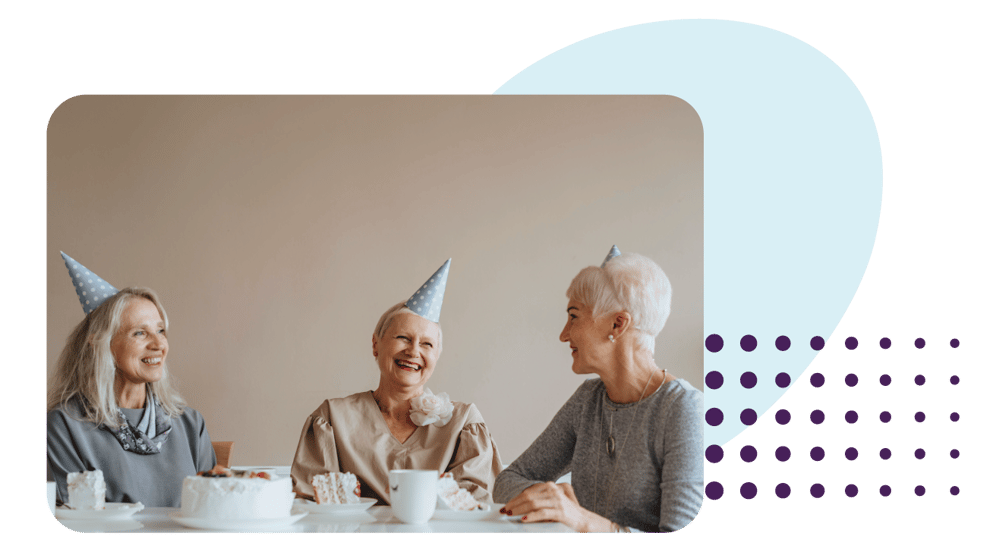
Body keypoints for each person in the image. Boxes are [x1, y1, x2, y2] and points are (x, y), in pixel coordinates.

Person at [494, 246, 703, 532]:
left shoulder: (683, 409)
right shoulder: (588, 399)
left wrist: (582, 519)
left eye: (574, 316)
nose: (563, 334)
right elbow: (509, 480)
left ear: (617, 324)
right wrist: (551, 498)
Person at [291, 259, 503, 505]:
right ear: (375, 344)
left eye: (427, 344)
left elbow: (470, 506)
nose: (413, 352)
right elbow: (312, 501)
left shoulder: (464, 423)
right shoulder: (331, 418)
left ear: (436, 356)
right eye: (403, 338)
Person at [46, 253, 216, 508]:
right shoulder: (63, 426)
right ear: (100, 342)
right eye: (140, 333)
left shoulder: (191, 424)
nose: (159, 344)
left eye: (160, 331)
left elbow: (215, 511)